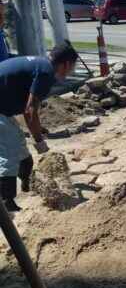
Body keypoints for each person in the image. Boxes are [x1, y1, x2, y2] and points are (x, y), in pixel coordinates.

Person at [0, 41, 78, 212]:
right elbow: (29, 111)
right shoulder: (46, 72)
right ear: (65, 64)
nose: (72, 70)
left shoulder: (42, 65)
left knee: (22, 152)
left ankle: (29, 185)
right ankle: (6, 202)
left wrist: (38, 128)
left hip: (4, 110)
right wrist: (39, 141)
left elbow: (29, 108)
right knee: (10, 151)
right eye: (72, 66)